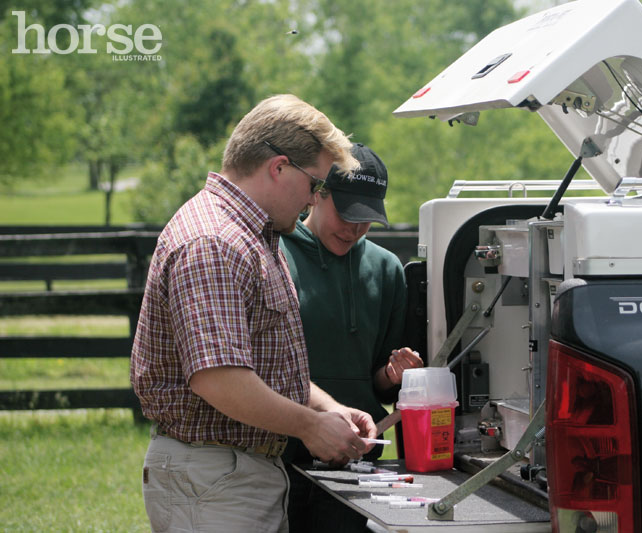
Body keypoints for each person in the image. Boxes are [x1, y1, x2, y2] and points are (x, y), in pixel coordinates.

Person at [130, 94, 378, 533]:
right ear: (279, 168)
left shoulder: (252, 235)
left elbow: (265, 366)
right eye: (315, 184)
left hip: (226, 474)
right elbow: (219, 378)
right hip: (213, 477)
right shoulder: (215, 241)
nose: (314, 197)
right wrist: (309, 426)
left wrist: (329, 410)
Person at [280, 143, 424, 532]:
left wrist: (392, 374)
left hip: (357, 461)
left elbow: (374, 381)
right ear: (316, 194)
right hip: (280, 455)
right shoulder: (275, 254)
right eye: (346, 215)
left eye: (367, 219)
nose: (355, 229)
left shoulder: (386, 268)